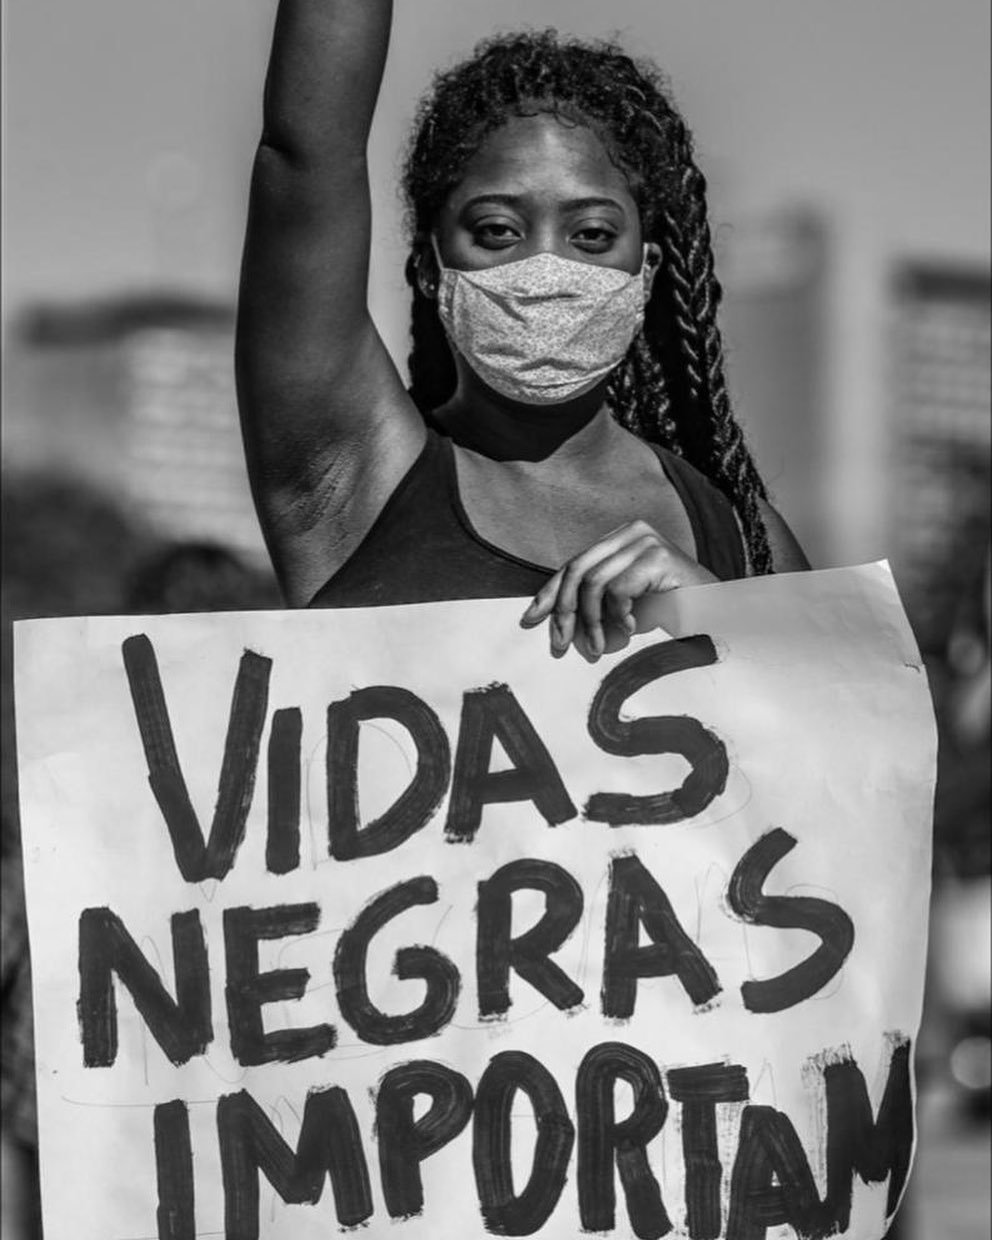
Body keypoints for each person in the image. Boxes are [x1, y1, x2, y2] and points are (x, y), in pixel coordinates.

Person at [236, 0, 809, 663]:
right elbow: (306, 157)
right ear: (428, 263)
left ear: (646, 271)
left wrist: (717, 616)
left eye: (591, 235)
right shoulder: (351, 473)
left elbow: (861, 735)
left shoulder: (741, 534)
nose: (546, 267)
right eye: (497, 232)